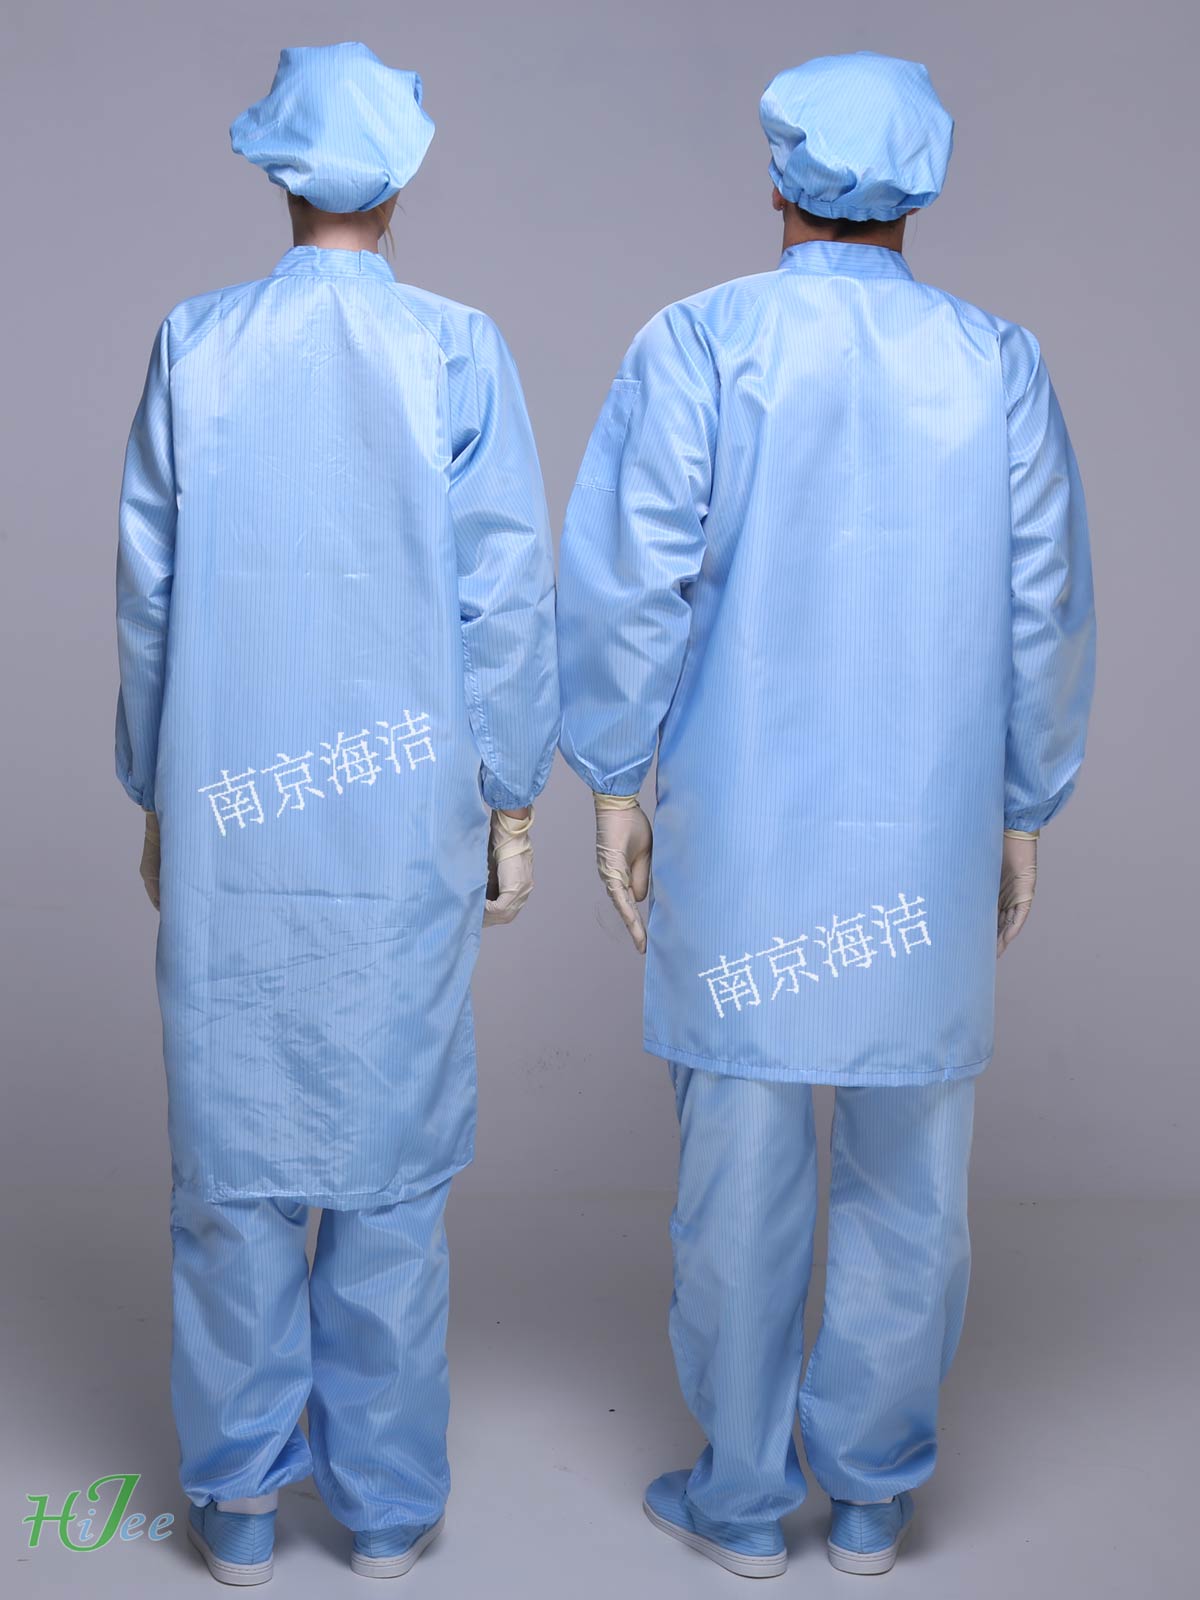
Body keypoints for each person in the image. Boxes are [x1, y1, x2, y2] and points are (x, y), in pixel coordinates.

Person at [557, 50, 1094, 1579]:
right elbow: (1042, 610)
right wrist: (1022, 805)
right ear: (920, 189)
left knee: (737, 1179)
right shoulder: (996, 363)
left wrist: (613, 777)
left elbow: (629, 583)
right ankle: (870, 1495)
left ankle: (738, 1501)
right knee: (912, 1181)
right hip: (925, 838)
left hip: (744, 838)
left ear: (779, 176)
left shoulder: (703, 342)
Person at [115, 42, 558, 1584]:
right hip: (400, 828)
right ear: (404, 175)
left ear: (279, 172)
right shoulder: (456, 351)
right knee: (388, 1171)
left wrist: (154, 785)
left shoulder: (199, 345)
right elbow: (506, 598)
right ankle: (383, 1511)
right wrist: (513, 800)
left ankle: (236, 1512)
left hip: (233, 816)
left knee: (234, 1163)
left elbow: (151, 598)